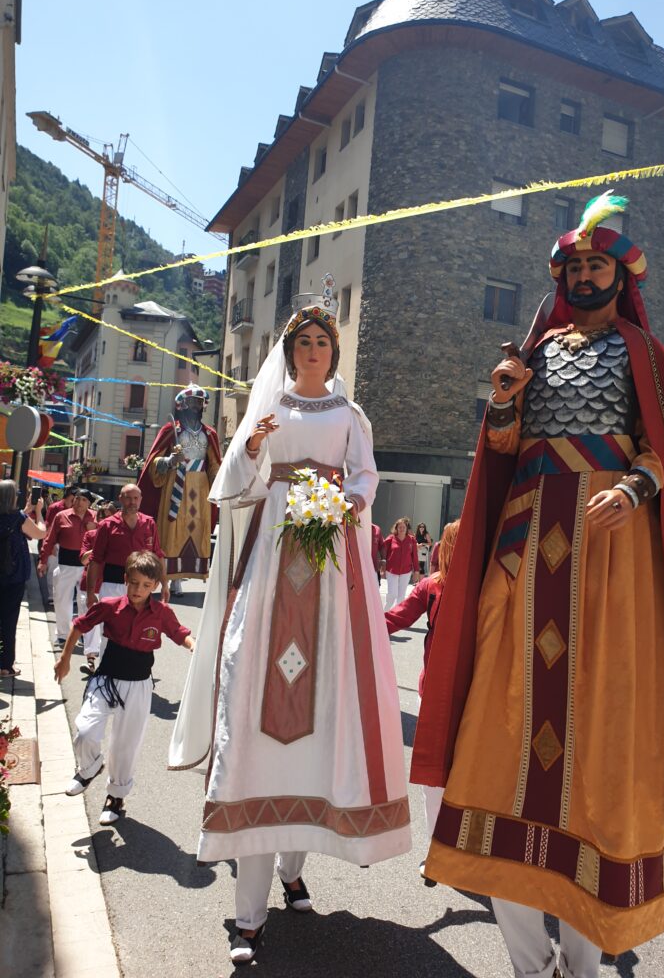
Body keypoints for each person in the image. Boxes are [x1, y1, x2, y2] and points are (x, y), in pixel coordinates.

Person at [412, 194, 664, 977]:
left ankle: (584, 958)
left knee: (604, 722)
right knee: (505, 719)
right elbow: (503, 447)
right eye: (576, 265)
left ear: (621, 277)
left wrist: (634, 488)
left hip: (611, 554)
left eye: (598, 263)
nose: (586, 274)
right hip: (527, 545)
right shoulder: (533, 351)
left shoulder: (644, 356)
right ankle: (531, 963)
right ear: (562, 275)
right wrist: (501, 399)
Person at [168, 291, 410, 965]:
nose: (312, 352)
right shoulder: (269, 408)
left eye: (322, 343)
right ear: (289, 351)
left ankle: (293, 868)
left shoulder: (348, 414)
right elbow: (236, 482)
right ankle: (248, 916)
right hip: (275, 557)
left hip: (331, 568)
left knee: (326, 712)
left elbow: (365, 477)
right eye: (303, 343)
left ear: (334, 352)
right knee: (258, 700)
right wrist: (248, 447)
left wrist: (345, 504)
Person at [54, 550, 193, 825]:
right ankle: (90, 768)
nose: (138, 590)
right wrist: (65, 658)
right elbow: (79, 626)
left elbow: (181, 634)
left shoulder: (162, 613)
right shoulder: (109, 605)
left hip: (139, 685)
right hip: (106, 679)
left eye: (145, 585)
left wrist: (195, 646)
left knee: (125, 745)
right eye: (134, 583)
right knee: (85, 730)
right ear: (126, 579)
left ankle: (115, 796)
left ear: (154, 586)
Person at [385, 519, 459, 875]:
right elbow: (393, 618)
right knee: (435, 778)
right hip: (434, 694)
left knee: (451, 778)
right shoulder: (432, 587)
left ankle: (452, 852)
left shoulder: (490, 587)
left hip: (472, 698)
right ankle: (440, 851)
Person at [138, 384, 222, 596]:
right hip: (175, 482)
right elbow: (154, 461)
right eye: (191, 401)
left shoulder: (209, 433)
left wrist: (218, 486)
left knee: (195, 527)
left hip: (201, 486)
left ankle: (183, 576)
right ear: (183, 404)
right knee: (171, 528)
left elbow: (214, 464)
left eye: (198, 401)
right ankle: (170, 579)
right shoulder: (170, 430)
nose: (195, 405)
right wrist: (169, 460)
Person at [86, 484, 168, 605]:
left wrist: (164, 585)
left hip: (141, 587)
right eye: (128, 498)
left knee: (136, 623)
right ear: (120, 498)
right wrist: (90, 592)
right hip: (112, 585)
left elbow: (158, 555)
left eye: (136, 498)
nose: (132, 502)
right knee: (111, 624)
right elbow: (95, 560)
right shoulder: (107, 525)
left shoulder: (149, 523)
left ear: (140, 499)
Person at [38, 488, 96, 648]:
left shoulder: (95, 518)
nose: (79, 502)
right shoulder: (61, 516)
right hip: (65, 564)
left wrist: (93, 529)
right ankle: (63, 635)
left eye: (84, 500)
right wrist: (43, 560)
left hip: (87, 567)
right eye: (77, 498)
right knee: (62, 600)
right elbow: (49, 539)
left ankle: (84, 633)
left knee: (85, 601)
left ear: (89, 503)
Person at [0, 480, 46, 677]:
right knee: (8, 621)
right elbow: (41, 532)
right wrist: (40, 512)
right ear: (12, 497)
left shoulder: (18, 517)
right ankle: (5, 665)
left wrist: (26, 510)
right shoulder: (18, 518)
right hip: (13, 577)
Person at [77, 502, 117, 674]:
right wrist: (99, 545)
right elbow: (83, 560)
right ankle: (91, 660)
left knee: (107, 628)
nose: (102, 520)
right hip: (89, 586)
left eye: (107, 516)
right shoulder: (90, 535)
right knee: (90, 625)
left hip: (109, 586)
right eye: (100, 516)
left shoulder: (118, 536)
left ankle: (106, 663)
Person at [43, 484, 76, 605]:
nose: (75, 500)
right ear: (68, 496)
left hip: (69, 544)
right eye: (74, 497)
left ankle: (66, 596)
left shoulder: (76, 509)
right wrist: (50, 545)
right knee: (53, 570)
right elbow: (48, 527)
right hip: (56, 543)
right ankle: (52, 595)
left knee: (67, 571)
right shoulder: (55, 507)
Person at [382, 517, 419, 610]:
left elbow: (415, 556)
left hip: (406, 571)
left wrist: (416, 571)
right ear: (396, 528)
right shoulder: (390, 539)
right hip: (391, 570)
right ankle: (384, 613)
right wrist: (382, 567)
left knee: (401, 597)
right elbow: (382, 551)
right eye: (400, 527)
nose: (402, 529)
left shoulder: (412, 540)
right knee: (392, 594)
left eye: (403, 527)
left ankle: (395, 616)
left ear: (406, 529)